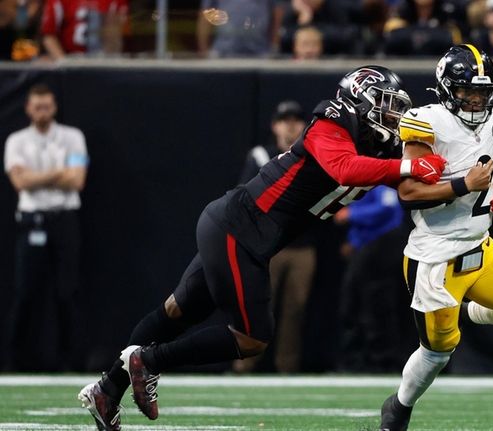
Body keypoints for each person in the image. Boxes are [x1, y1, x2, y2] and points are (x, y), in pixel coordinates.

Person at [77, 65, 447, 431]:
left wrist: (468, 184)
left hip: (241, 229)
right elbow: (345, 169)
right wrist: (407, 166)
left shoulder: (379, 144)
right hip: (242, 227)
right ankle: (149, 360)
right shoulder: (333, 120)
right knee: (253, 338)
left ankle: (108, 390)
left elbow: (412, 178)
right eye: (385, 104)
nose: (393, 115)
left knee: (176, 310)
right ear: (360, 98)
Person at [378, 44, 493, 431]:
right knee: (438, 352)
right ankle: (398, 408)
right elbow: (408, 193)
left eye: (482, 91)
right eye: (467, 91)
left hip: (480, 247)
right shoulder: (425, 122)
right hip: (436, 258)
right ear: (446, 88)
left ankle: (472, 309)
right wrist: (463, 185)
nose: (476, 99)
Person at [3, 84, 88, 371]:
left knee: (68, 291)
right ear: (28, 108)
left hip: (64, 219)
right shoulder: (16, 141)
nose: (42, 111)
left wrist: (35, 176)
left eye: (47, 106)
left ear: (54, 107)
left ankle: (72, 361)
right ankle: (15, 361)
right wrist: (56, 173)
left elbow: (77, 180)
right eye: (37, 106)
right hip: (31, 220)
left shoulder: (72, 137)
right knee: (26, 291)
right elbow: (19, 182)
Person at [233, 100, 315, 374]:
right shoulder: (261, 156)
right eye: (285, 120)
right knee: (256, 305)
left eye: (296, 120)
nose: (291, 126)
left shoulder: (314, 156)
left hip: (302, 245)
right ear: (275, 125)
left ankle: (287, 366)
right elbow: (245, 197)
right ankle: (244, 362)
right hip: (268, 246)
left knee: (295, 309)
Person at [335, 185, 414, 372]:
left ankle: (381, 360)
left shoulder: (380, 178)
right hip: (368, 246)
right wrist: (354, 242)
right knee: (356, 303)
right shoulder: (362, 179)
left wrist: (352, 214)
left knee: (378, 304)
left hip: (383, 246)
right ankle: (359, 360)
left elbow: (388, 206)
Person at [40, 0, 128, 59]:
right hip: (69, 62)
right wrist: (63, 63)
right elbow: (49, 35)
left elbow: (115, 37)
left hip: (103, 63)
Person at [196, 0, 278, 58]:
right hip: (223, 53)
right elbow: (206, 15)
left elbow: (277, 14)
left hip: (260, 53)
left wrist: (274, 46)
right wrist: (204, 49)